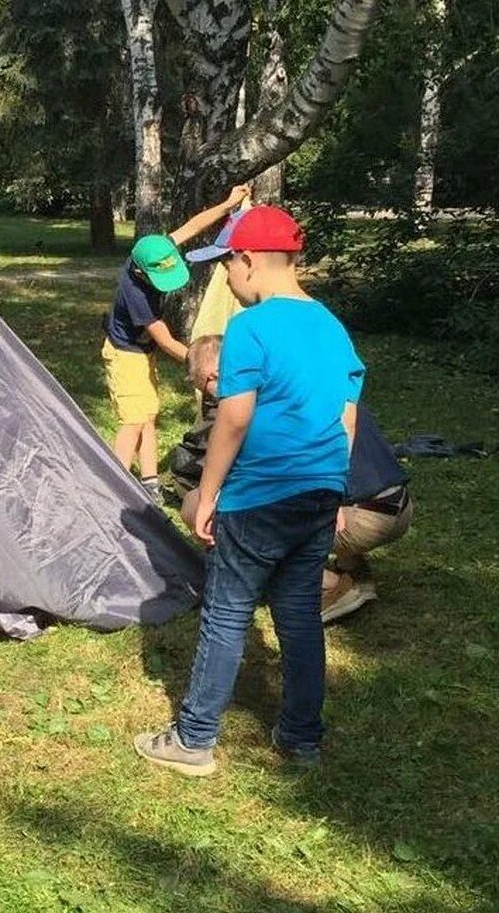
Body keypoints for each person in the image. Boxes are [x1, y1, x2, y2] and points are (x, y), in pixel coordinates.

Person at [134, 204, 365, 776]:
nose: (229, 282)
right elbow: (347, 421)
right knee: (299, 616)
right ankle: (301, 738)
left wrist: (208, 493)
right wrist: (335, 493)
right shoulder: (332, 327)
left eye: (227, 268)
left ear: (247, 261)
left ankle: (193, 740)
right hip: (317, 493)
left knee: (227, 612)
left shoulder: (250, 329)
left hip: (258, 497)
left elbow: (234, 418)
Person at [179, 336, 413, 623]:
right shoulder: (298, 380)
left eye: (205, 389)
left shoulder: (256, 405)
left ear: (215, 375)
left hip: (360, 516)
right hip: (397, 505)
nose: (212, 399)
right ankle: (353, 567)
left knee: (202, 506)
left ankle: (333, 585)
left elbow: (252, 486)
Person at [103, 185, 250, 502]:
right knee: (132, 419)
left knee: (149, 415)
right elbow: (165, 338)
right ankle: (111, 487)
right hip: (125, 354)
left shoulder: (157, 249)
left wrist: (227, 204)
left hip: (142, 352)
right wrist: (207, 363)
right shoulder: (135, 293)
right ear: (142, 272)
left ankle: (149, 482)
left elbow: (194, 225)